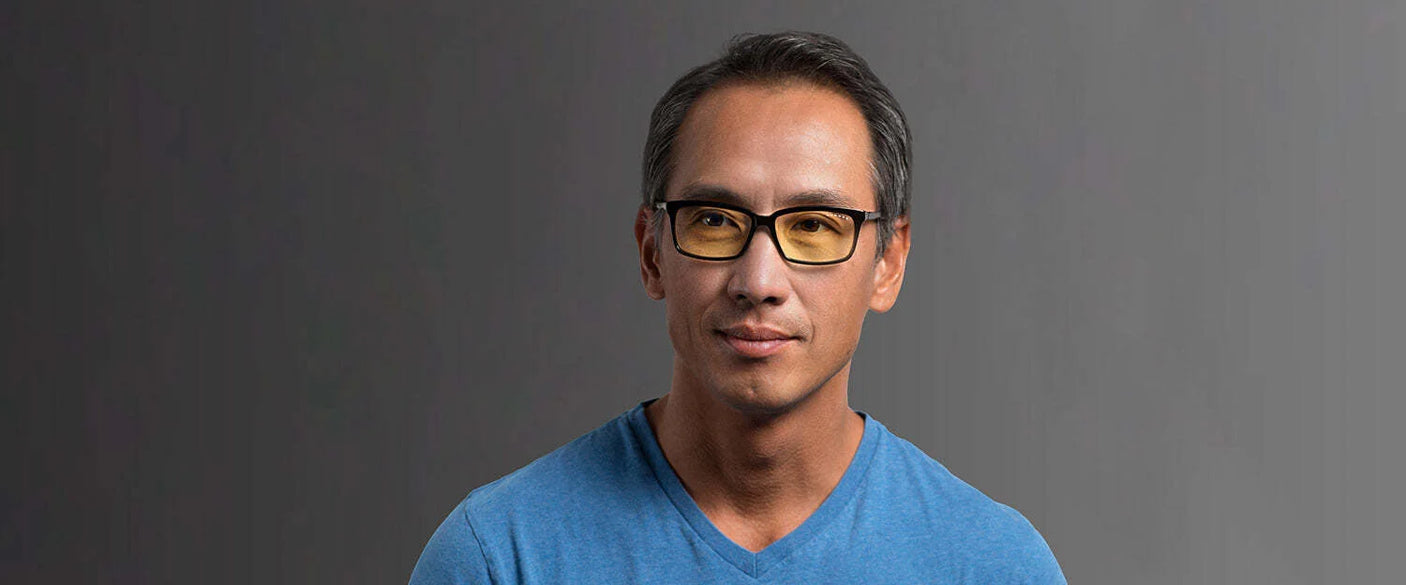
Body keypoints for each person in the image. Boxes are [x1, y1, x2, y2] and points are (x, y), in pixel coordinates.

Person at [410, 31, 1066, 584]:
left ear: (888, 262)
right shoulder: (500, 558)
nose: (759, 279)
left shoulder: (994, 566)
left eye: (814, 224)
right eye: (716, 221)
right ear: (651, 252)